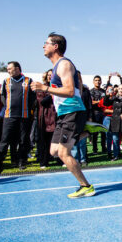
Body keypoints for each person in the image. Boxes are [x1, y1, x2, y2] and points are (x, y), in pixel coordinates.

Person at [30, 33, 94, 198]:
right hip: (64, 114)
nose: (43, 46)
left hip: (72, 113)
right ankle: (85, 133)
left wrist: (44, 88)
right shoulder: (56, 66)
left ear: (55, 46)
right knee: (53, 151)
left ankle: (85, 186)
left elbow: (70, 91)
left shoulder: (63, 64)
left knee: (64, 153)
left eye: (46, 43)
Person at [0, 61, 36, 173]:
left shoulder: (28, 81)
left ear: (17, 69)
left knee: (23, 140)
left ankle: (21, 161)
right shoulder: (6, 81)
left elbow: (33, 98)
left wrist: (27, 108)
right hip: (9, 116)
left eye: (10, 68)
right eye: (7, 69)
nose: (8, 71)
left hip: (24, 116)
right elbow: (3, 97)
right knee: (4, 140)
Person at [35, 70, 57, 168]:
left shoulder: (58, 87)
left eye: (51, 75)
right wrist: (52, 95)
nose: (49, 77)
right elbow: (42, 102)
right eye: (48, 75)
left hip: (56, 116)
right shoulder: (41, 88)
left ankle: (58, 159)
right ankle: (44, 161)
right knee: (44, 140)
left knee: (56, 140)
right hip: (44, 117)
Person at [89, 75, 107, 154]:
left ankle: (104, 148)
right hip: (95, 114)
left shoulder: (103, 91)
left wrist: (101, 102)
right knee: (95, 133)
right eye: (96, 80)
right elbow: (91, 102)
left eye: (99, 80)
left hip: (103, 114)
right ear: (93, 82)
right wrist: (100, 102)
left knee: (103, 132)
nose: (98, 82)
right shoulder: (91, 91)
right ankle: (95, 149)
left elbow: (106, 101)